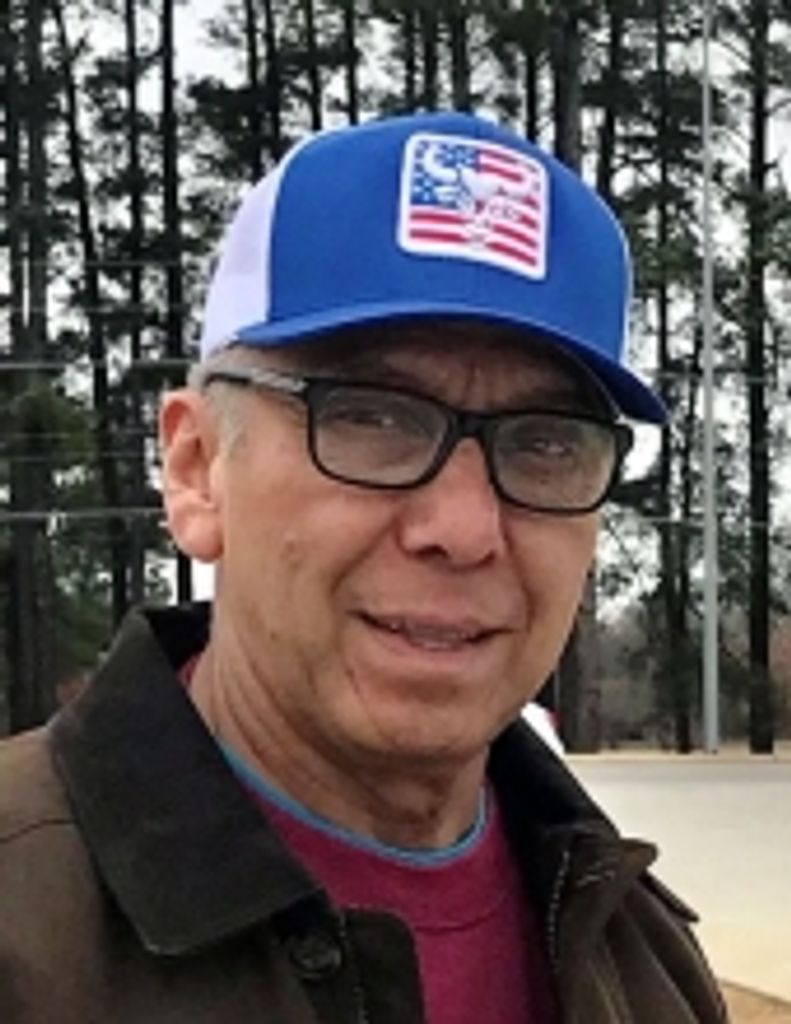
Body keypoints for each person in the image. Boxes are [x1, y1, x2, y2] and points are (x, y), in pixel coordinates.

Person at [0, 112, 728, 1023]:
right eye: (370, 418)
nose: (462, 529)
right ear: (196, 471)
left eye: (544, 442)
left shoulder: (637, 955)